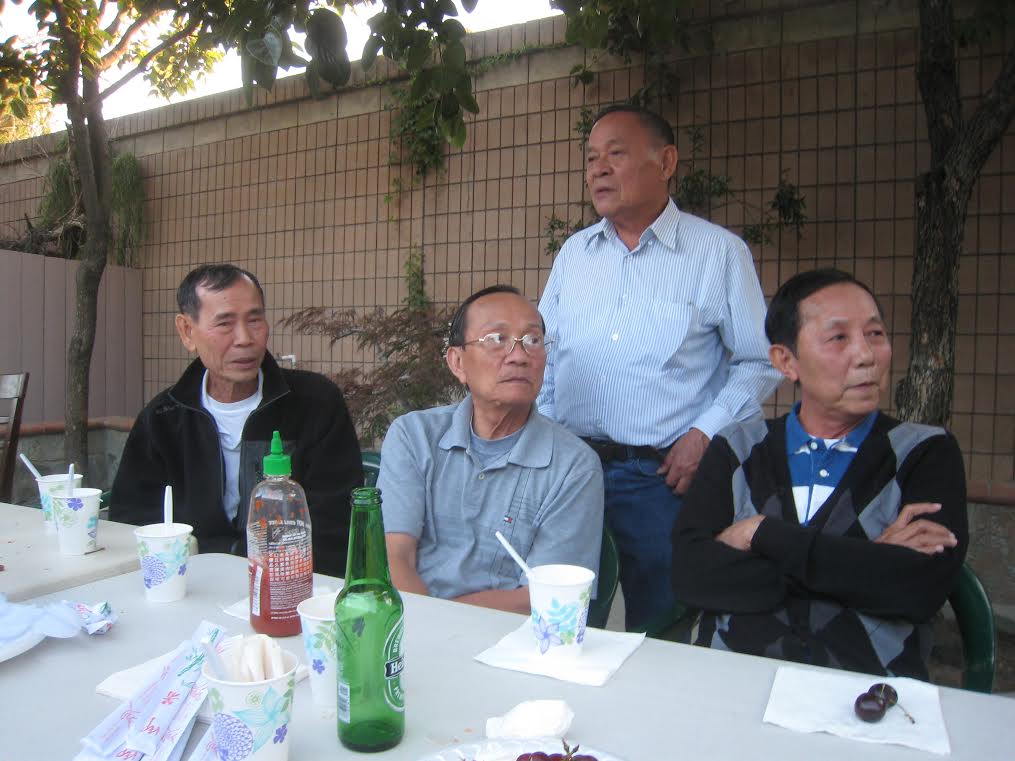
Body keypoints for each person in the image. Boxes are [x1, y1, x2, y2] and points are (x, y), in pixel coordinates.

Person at [537, 104, 781, 631]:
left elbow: (759, 361)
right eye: (591, 158)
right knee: (562, 622)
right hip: (572, 472)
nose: (599, 170)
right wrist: (547, 435)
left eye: (616, 154)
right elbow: (545, 356)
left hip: (661, 479)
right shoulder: (574, 255)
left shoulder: (717, 253)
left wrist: (704, 434)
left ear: (666, 162)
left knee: (659, 630)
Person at [671, 269, 968, 679]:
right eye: (838, 338)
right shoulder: (737, 448)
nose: (865, 355)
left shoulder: (923, 452)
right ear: (786, 361)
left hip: (867, 691)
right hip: (728, 681)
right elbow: (691, 577)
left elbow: (918, 589)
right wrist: (866, 559)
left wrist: (760, 534)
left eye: (875, 334)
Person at [110, 264, 362, 576]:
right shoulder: (163, 419)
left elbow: (336, 526)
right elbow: (132, 523)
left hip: (291, 584)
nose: (244, 338)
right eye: (225, 324)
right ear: (187, 331)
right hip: (191, 584)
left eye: (254, 320)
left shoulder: (315, 404)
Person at [377, 285, 604, 614]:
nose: (519, 355)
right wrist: (426, 626)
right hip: (410, 623)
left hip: (509, 636)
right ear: (457, 362)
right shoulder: (414, 436)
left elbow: (549, 596)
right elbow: (392, 554)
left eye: (533, 340)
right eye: (497, 338)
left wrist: (440, 620)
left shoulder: (574, 465)